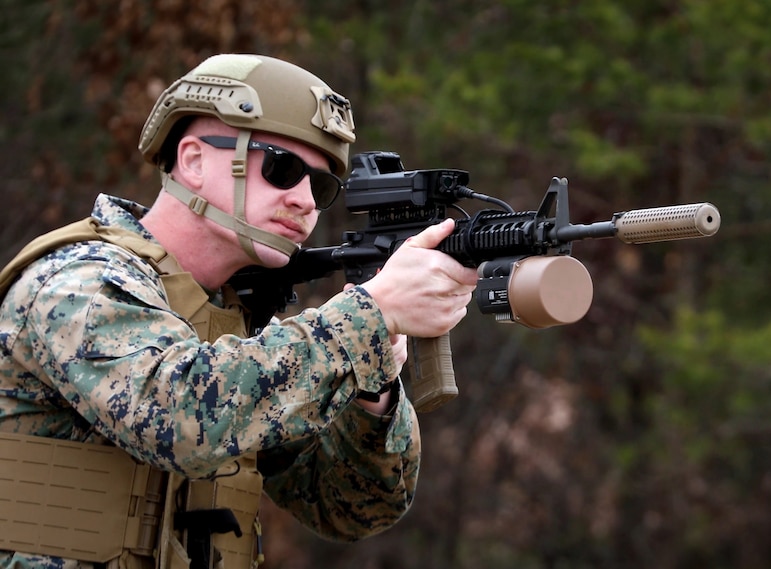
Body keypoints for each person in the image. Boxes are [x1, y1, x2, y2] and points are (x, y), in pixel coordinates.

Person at [0, 53, 478, 569]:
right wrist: (366, 315)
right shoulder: (80, 284)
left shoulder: (235, 321)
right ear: (194, 161)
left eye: (319, 186)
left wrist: (373, 382)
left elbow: (350, 508)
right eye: (282, 167)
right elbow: (181, 419)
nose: (304, 201)